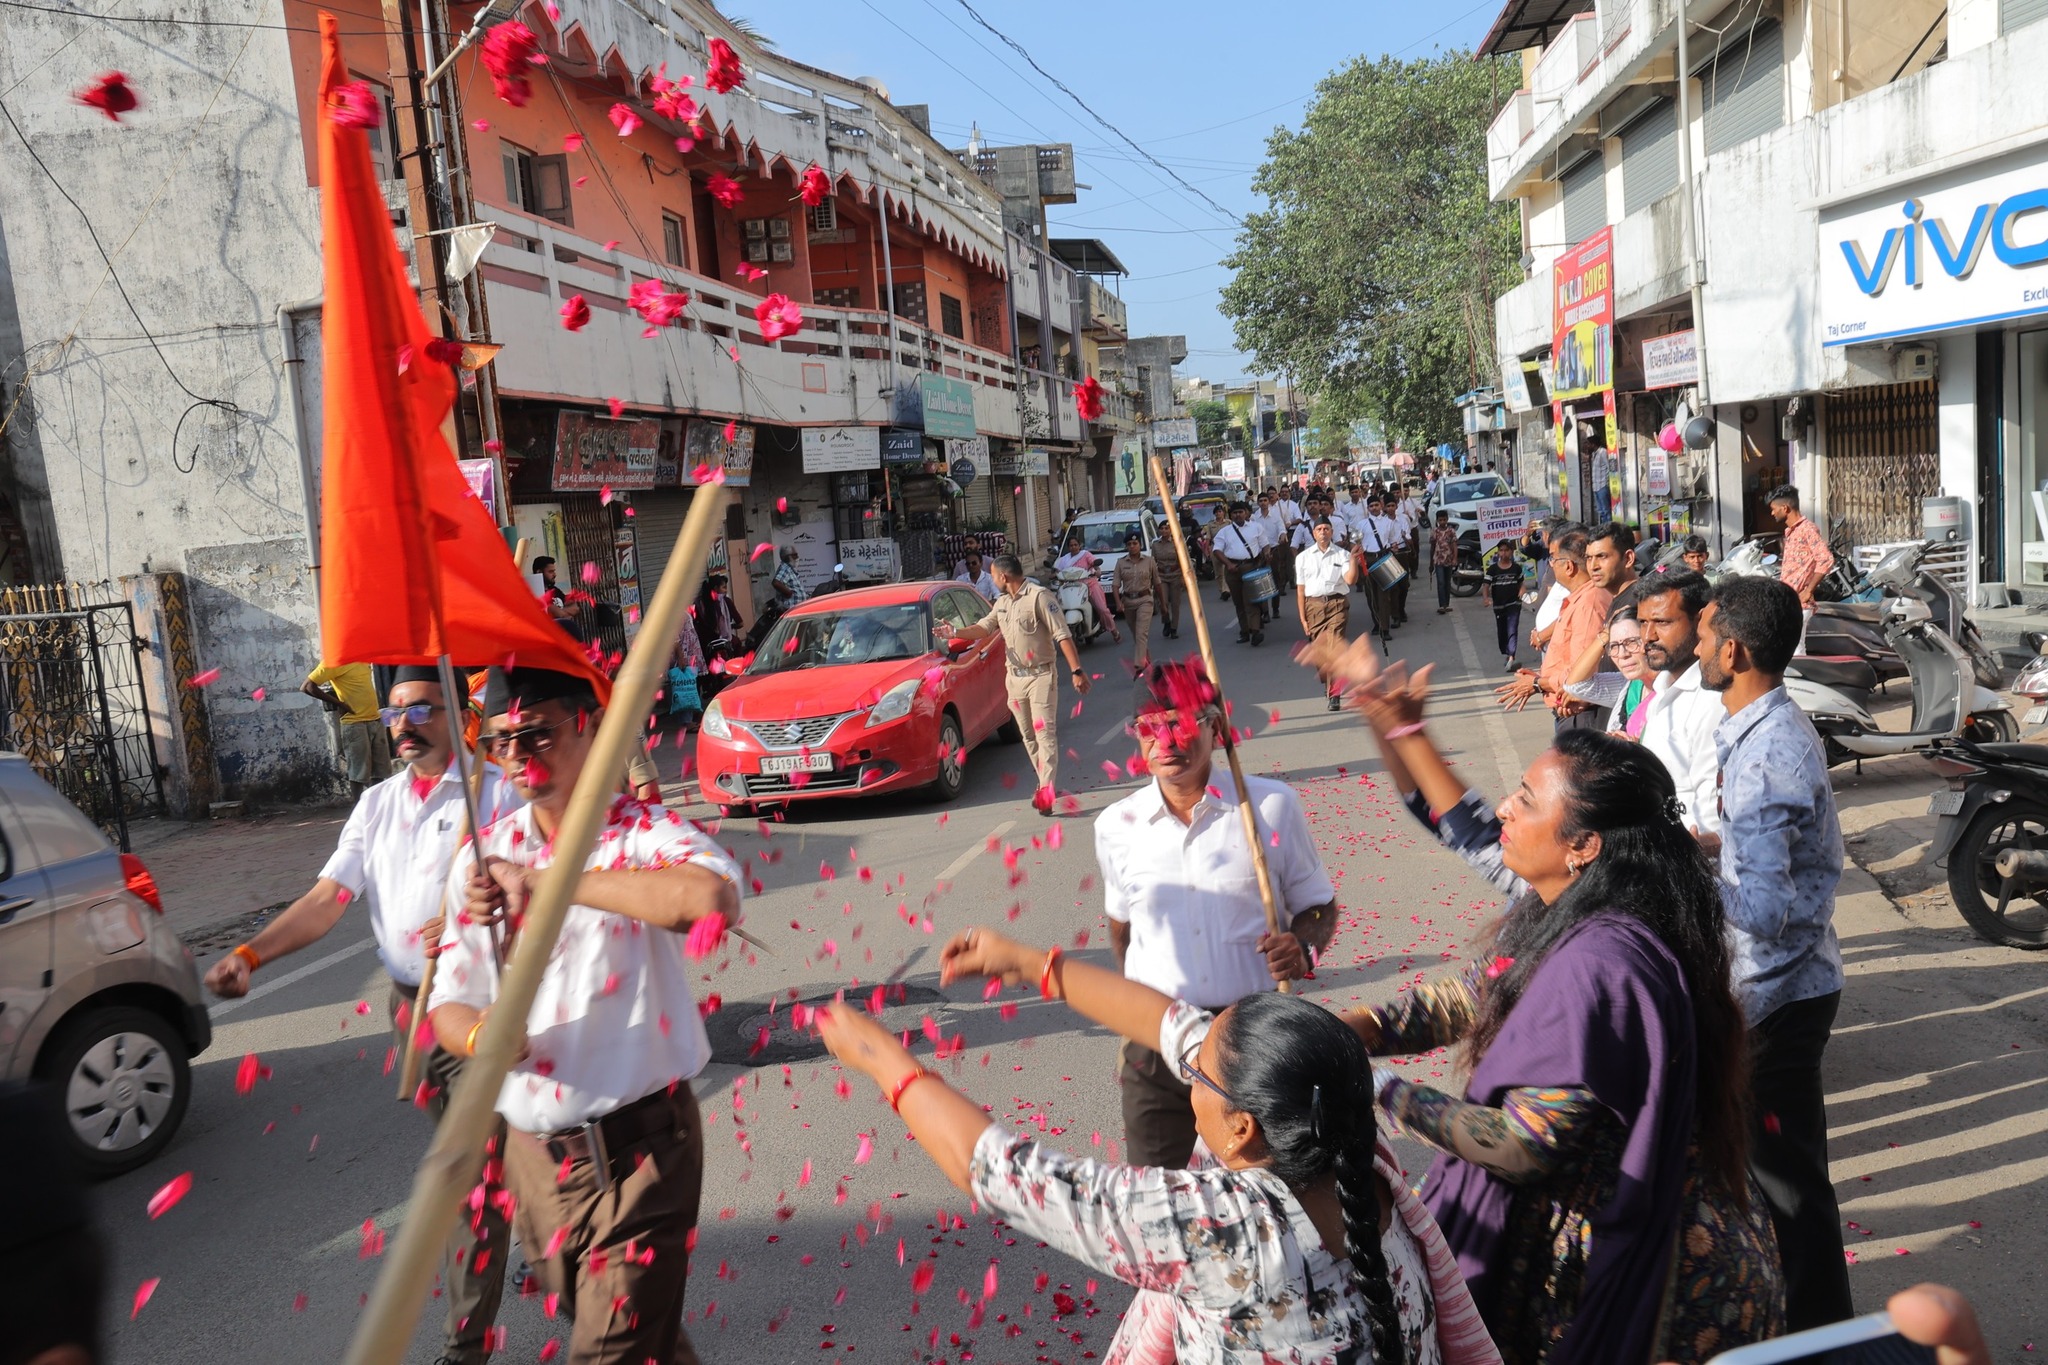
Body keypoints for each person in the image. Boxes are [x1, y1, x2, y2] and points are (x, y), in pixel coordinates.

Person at [1303, 641, 1782, 1365]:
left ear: (1583, 844)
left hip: (1656, 1278)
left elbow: (1521, 1146)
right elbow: (1480, 992)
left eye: (1526, 799)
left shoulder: (1600, 962)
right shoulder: (1573, 906)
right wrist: (1359, 1027)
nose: (1504, 805)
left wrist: (1374, 1085)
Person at [818, 929, 1502, 1365]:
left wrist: (880, 1058)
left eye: (1197, 1074)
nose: (1187, 1072)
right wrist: (1032, 964)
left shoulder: (1225, 1228)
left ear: (1242, 1127)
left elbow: (1003, 1173)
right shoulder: (1355, 1155)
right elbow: (1171, 1024)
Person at [429, 665, 743, 1365]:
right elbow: (449, 1003)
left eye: (538, 734)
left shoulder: (640, 832)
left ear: (592, 726)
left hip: (642, 1157)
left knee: (608, 1352)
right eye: (501, 741)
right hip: (535, 1164)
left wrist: (550, 882)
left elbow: (709, 901)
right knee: (648, 1344)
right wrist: (483, 1034)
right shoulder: (483, 859)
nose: (518, 757)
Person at [210, 665, 521, 1365]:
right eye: (394, 713)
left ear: (457, 715)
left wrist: (475, 911)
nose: (404, 725)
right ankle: (540, 1230)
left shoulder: (497, 794)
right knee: (484, 1164)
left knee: (467, 1175)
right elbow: (327, 899)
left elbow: (537, 887)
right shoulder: (377, 804)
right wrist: (251, 954)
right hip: (413, 1011)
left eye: (422, 710)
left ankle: (466, 1347)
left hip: (487, 1009)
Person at [1096, 661, 1339, 1167]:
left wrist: (1302, 947)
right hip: (1156, 1041)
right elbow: (1122, 928)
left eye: (1180, 723)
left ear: (1215, 727)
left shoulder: (1269, 807)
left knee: (1263, 1182)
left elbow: (1319, 906)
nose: (1166, 741)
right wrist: (1136, 1007)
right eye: (1150, 728)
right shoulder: (1116, 826)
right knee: (1155, 1187)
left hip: (1251, 1038)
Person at [1695, 576, 1854, 1331]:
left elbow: (1762, 910)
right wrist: (1711, 848)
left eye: (1704, 634)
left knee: (1788, 1194)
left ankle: (1818, 1336)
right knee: (1777, 1185)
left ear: (1733, 651)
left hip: (1777, 997)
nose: (1696, 647)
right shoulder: (1765, 729)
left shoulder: (1767, 755)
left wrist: (1684, 882)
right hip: (1782, 987)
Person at [938, 553, 1090, 814]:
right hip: (1015, 679)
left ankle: (1046, 789)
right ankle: (1044, 782)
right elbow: (983, 628)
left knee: (1044, 734)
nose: (993, 579)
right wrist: (955, 632)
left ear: (1003, 576)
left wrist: (1077, 670)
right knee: (1028, 736)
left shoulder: (1039, 597)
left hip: (1041, 676)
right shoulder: (1002, 603)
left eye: (993, 575)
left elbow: (1062, 634)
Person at [1634, 571, 1725, 835]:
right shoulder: (1662, 688)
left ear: (1700, 620)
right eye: (1642, 622)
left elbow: (1711, 812)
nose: (1648, 636)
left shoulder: (1711, 699)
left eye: (1662, 622)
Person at [1498, 526, 1610, 731]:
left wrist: (1537, 684)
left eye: (1553, 559)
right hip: (1568, 707)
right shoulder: (1579, 599)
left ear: (1568, 566)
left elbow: (1580, 675)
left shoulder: (1588, 604)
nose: (1551, 565)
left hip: (1578, 713)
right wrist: (1540, 678)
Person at [1559, 605, 1658, 737]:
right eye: (1614, 646)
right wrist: (1606, 634)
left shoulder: (1673, 688)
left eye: (1632, 642)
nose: (1622, 654)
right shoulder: (1628, 685)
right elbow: (1575, 685)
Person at [1295, 516, 1360, 710]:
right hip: (1313, 607)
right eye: (1319, 529)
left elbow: (1350, 580)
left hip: (1337, 605)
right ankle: (1329, 683)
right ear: (1313, 533)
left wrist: (1354, 560)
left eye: (1326, 529)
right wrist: (1303, 618)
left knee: (1333, 649)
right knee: (1320, 653)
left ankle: (1335, 694)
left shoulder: (1342, 554)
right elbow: (1300, 590)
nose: (1323, 532)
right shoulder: (1303, 557)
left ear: (1332, 532)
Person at [305, 661, 392, 795]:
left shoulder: (362, 659)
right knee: (358, 773)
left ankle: (375, 803)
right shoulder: (335, 661)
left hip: (375, 719)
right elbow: (307, 686)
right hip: (355, 724)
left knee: (379, 772)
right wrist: (340, 704)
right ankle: (357, 805)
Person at [1768, 485, 1834, 651]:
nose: (1772, 513)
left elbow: (1825, 559)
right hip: (1790, 601)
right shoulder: (1791, 532)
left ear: (1785, 508)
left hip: (1800, 602)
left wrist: (1808, 590)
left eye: (1774, 509)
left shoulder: (1807, 529)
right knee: (1789, 649)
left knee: (1796, 650)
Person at [1209, 501, 1269, 646]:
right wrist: (1228, 564)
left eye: (1240, 512)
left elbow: (1265, 545)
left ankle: (1255, 632)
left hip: (1251, 567)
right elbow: (1217, 550)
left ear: (1246, 513)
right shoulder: (1225, 532)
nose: (1238, 515)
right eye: (1235, 513)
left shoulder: (1256, 527)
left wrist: (1267, 554)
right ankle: (1244, 631)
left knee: (1251, 600)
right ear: (1231, 515)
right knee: (1239, 602)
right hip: (1233, 569)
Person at [1113, 531, 1169, 673]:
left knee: (1141, 633)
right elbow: (1115, 585)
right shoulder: (1121, 562)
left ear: (1140, 544)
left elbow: (1157, 583)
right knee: (1137, 635)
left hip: (1145, 600)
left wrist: (1163, 604)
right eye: (1129, 544)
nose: (1132, 546)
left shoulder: (1149, 561)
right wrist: (1118, 602)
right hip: (1128, 602)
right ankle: (1147, 662)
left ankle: (1139, 665)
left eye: (1135, 543)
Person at [1057, 529, 1124, 644]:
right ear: (1068, 547)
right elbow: (1057, 571)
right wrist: (1054, 574)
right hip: (1071, 587)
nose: (1073, 547)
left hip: (1089, 585)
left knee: (1102, 609)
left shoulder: (1086, 555)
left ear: (1079, 545)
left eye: (1075, 545)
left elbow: (1095, 565)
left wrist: (1097, 571)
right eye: (1071, 545)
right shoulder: (1064, 560)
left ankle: (1114, 631)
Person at [1485, 541, 1524, 674]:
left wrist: (1522, 591)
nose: (1504, 553)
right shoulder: (1493, 569)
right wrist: (1486, 598)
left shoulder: (1516, 568)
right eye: (1501, 550)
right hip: (1499, 606)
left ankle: (1512, 655)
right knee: (1502, 631)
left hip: (1514, 604)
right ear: (1498, 552)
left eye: (1506, 550)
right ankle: (1507, 652)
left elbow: (1521, 583)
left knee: (1512, 629)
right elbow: (1486, 585)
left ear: (1511, 552)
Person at [1430, 509, 1459, 615]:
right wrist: (1431, 562)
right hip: (1438, 561)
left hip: (1449, 560)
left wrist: (1455, 558)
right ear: (1437, 520)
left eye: (1444, 520)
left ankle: (1446, 604)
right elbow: (1432, 547)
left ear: (1447, 519)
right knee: (1441, 582)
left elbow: (1454, 546)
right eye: (1440, 520)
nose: (1442, 522)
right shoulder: (1435, 531)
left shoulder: (1451, 531)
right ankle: (1442, 605)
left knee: (1447, 582)